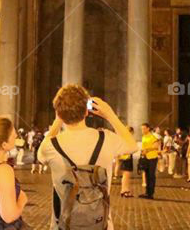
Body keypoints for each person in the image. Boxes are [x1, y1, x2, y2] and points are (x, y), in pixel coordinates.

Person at [37, 85, 137, 229]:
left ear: (58, 113)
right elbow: (132, 145)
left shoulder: (50, 146)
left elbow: (42, 153)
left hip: (63, 225)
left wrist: (58, 120)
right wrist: (110, 115)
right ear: (86, 112)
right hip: (100, 225)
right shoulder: (106, 139)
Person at [139, 123, 160, 199]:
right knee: (147, 175)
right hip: (146, 158)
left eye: (144, 128)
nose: (142, 130)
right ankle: (147, 192)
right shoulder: (143, 137)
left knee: (151, 175)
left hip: (152, 157)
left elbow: (156, 146)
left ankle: (151, 193)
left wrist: (147, 150)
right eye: (142, 129)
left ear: (148, 128)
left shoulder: (152, 136)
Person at [118, 127, 136, 198]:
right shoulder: (128, 138)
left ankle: (124, 189)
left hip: (123, 158)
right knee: (126, 175)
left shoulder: (122, 137)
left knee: (125, 175)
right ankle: (125, 191)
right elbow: (132, 148)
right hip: (127, 157)